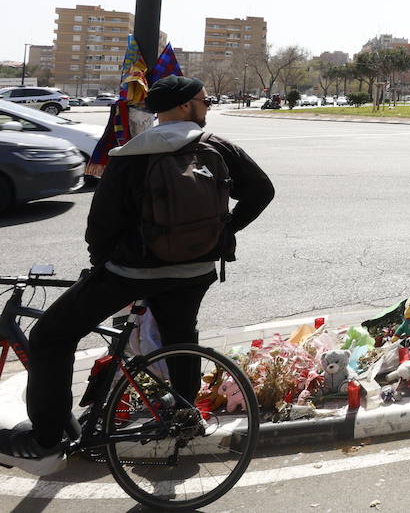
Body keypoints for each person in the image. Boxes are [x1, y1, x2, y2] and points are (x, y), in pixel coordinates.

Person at [0, 75, 274, 475]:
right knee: (181, 335)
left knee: (51, 336)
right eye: (203, 99)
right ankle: (185, 417)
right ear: (183, 106)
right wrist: (224, 231)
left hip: (131, 272)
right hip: (195, 270)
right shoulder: (216, 147)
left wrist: (103, 265)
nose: (208, 105)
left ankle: (44, 439)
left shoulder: (129, 154)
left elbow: (101, 226)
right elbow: (261, 191)